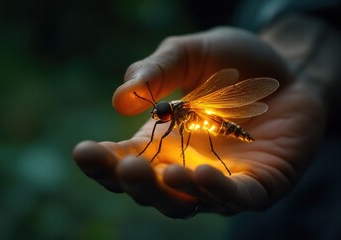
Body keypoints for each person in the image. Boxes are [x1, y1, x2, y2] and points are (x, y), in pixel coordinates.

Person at [72, 10, 340, 222]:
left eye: (160, 112)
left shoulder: (186, 109)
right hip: (270, 220)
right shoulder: (171, 114)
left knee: (205, 134)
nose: (158, 116)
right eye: (158, 113)